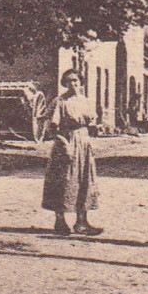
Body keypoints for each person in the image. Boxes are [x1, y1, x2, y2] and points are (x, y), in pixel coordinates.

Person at [41, 68, 102, 236]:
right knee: (63, 181)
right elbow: (51, 129)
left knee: (84, 180)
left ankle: (82, 222)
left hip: (83, 142)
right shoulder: (60, 101)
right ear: (64, 83)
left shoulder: (85, 101)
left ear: (81, 82)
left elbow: (91, 123)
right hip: (66, 142)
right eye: (69, 81)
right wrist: (64, 144)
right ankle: (60, 221)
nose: (73, 84)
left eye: (76, 80)